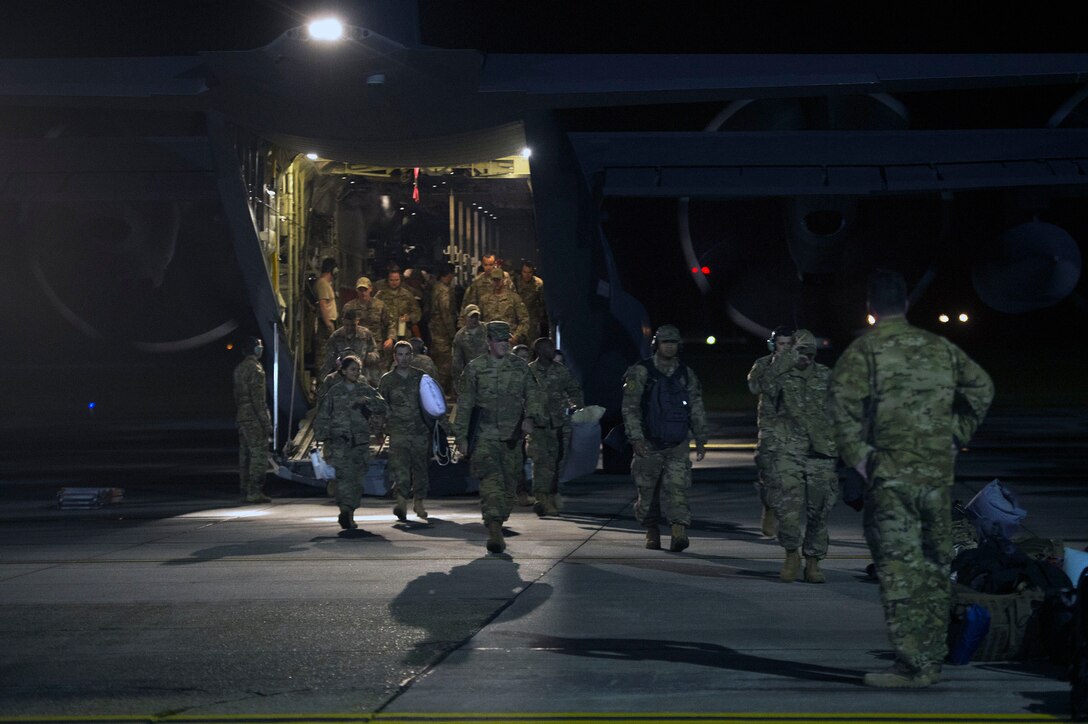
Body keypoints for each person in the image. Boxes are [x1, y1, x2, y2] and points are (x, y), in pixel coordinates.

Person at [829, 269, 994, 689]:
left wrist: (859, 458)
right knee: (935, 566)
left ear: (871, 308)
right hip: (934, 479)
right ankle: (932, 657)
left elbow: (840, 407)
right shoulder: (938, 347)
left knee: (898, 569)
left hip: (891, 480)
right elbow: (981, 388)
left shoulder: (865, 351)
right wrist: (956, 437)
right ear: (905, 304)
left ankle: (912, 666)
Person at [749, 328, 839, 583]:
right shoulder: (779, 373)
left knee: (820, 510)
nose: (806, 357)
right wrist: (785, 361)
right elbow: (758, 386)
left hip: (821, 452)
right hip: (788, 449)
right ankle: (791, 553)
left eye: (810, 353)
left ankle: (813, 561)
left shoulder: (826, 375)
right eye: (801, 351)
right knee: (787, 508)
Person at [452, 320, 545, 554]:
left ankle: (499, 519)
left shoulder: (520, 367)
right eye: (499, 340)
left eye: (506, 340)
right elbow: (465, 404)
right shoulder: (475, 368)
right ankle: (494, 530)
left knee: (509, 486)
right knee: (491, 483)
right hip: (485, 436)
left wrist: (530, 417)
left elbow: (533, 394)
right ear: (488, 342)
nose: (504, 344)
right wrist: (461, 436)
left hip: (513, 437)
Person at [621, 324, 707, 552]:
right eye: (665, 342)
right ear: (656, 344)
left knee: (678, 488)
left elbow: (696, 406)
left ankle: (678, 531)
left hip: (677, 443)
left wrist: (701, 437)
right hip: (649, 443)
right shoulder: (641, 371)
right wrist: (636, 438)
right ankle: (652, 529)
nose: (669, 346)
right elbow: (630, 407)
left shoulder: (686, 374)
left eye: (673, 342)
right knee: (647, 493)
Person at [313, 354, 389, 531]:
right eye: (352, 369)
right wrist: (321, 437)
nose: (356, 373)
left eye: (358, 370)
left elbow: (383, 407)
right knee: (344, 477)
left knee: (357, 478)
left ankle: (349, 509)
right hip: (340, 441)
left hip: (360, 442)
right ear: (344, 371)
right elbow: (323, 415)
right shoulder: (334, 392)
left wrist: (367, 401)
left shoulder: (365, 389)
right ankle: (345, 509)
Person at [379, 341, 446, 523]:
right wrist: (379, 429)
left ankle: (419, 501)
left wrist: (441, 426)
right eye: (400, 354)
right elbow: (381, 406)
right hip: (398, 431)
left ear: (412, 356)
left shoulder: (421, 377)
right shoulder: (387, 380)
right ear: (394, 357)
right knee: (399, 467)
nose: (403, 358)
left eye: (407, 354)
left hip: (420, 431)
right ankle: (401, 501)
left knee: (420, 468)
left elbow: (434, 400)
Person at [747, 324, 795, 539]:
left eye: (788, 344)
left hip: (794, 430)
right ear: (773, 345)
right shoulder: (763, 364)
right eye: (781, 344)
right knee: (767, 473)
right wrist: (777, 367)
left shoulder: (800, 365)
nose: (784, 348)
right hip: (769, 429)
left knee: (791, 478)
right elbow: (754, 387)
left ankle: (787, 521)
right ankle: (770, 508)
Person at [528, 336, 584, 517]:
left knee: (558, 461)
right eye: (548, 348)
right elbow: (520, 395)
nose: (552, 350)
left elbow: (574, 390)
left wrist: (577, 406)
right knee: (540, 461)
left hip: (559, 424)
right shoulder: (529, 371)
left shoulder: (561, 371)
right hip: (538, 424)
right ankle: (541, 498)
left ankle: (553, 494)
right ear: (539, 351)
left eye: (553, 347)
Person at [233, 336, 273, 503]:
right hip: (254, 418)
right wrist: (266, 423)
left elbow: (237, 395)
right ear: (254, 348)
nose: (261, 348)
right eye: (259, 346)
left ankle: (244, 489)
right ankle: (255, 491)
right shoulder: (256, 369)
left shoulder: (239, 368)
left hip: (242, 416)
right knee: (258, 455)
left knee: (245, 455)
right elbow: (258, 400)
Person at [343, 276, 393, 384]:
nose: (363, 293)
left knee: (378, 380)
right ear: (356, 290)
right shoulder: (349, 307)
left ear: (370, 289)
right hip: (356, 349)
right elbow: (343, 328)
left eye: (365, 289)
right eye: (360, 290)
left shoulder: (380, 306)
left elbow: (389, 323)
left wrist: (390, 338)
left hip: (376, 349)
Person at [473, 267, 530, 345]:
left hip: (508, 340)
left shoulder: (514, 298)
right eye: (494, 280)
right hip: (489, 341)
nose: (496, 283)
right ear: (490, 281)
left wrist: (516, 337)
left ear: (503, 280)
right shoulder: (484, 300)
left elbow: (524, 320)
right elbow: (478, 321)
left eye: (498, 280)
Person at [321, 308, 379, 381]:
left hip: (362, 377)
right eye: (347, 325)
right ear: (343, 321)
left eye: (353, 325)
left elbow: (375, 353)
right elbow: (328, 361)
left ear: (357, 321)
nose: (349, 328)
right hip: (342, 378)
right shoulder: (335, 337)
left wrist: (370, 357)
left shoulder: (365, 334)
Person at [428, 263, 457, 393]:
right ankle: (439, 391)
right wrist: (452, 334)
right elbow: (446, 314)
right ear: (449, 275)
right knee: (445, 364)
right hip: (442, 333)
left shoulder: (435, 287)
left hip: (435, 331)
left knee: (438, 362)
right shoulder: (444, 291)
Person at [451, 304, 488, 387]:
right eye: (471, 317)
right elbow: (457, 363)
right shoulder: (460, 336)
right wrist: (459, 384)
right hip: (472, 376)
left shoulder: (488, 329)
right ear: (465, 318)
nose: (474, 320)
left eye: (476, 317)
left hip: (489, 373)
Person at [313, 258, 339, 368]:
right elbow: (323, 305)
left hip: (328, 323)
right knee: (323, 354)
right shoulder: (322, 284)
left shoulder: (326, 284)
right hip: (325, 324)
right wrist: (328, 323)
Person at [514, 260, 548, 341]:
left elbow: (542, 303)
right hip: (517, 318)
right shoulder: (515, 282)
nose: (527, 275)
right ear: (521, 272)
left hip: (532, 319)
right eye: (524, 272)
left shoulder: (538, 283)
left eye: (529, 272)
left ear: (533, 272)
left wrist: (540, 318)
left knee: (532, 343)